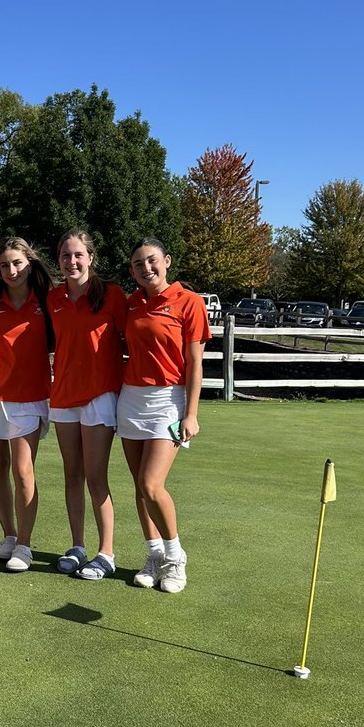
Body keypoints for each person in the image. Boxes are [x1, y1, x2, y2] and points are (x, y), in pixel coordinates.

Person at [118, 237, 211, 593]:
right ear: (132, 271)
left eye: (152, 261)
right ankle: (153, 554)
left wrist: (192, 413)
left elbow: (195, 365)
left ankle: (175, 557)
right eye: (139, 264)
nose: (147, 268)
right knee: (140, 488)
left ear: (167, 260)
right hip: (131, 400)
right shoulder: (131, 304)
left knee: (150, 483)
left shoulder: (189, 302)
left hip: (169, 401)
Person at [48, 230, 128, 580]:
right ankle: (77, 546)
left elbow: (135, 339)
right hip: (63, 395)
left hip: (100, 396)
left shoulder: (111, 295)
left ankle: (106, 552)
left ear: (90, 257)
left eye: (78, 255)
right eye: (66, 256)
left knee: (96, 476)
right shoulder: (53, 298)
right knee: (72, 475)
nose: (72, 262)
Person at [0, 237, 53, 573]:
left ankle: (25, 545)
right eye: (5, 265)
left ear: (30, 264)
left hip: (31, 397)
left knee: (23, 472)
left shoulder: (48, 301)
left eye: (17, 263)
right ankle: (8, 534)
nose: (11, 270)